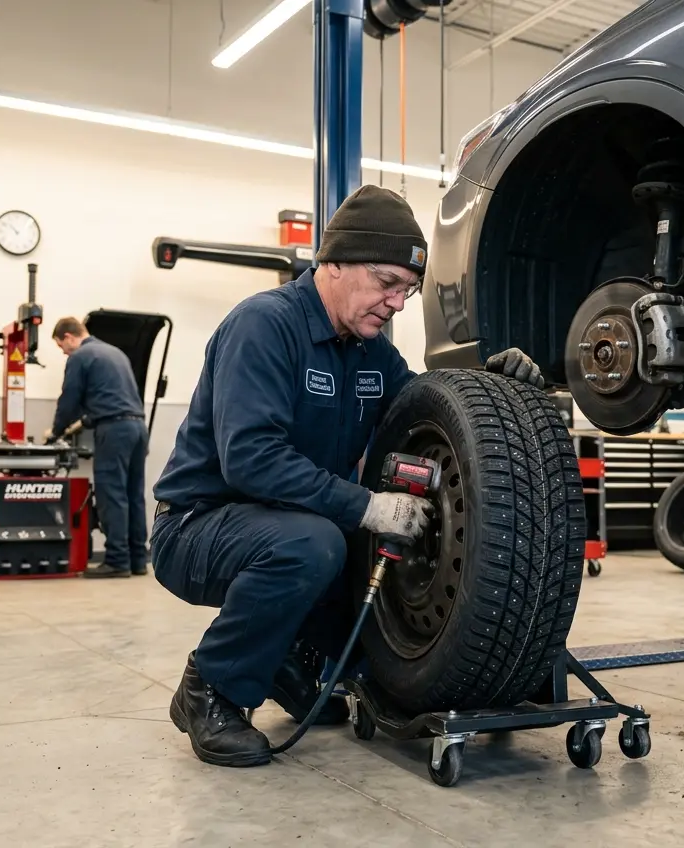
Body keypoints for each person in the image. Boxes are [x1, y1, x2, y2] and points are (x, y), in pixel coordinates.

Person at [150, 184, 545, 768]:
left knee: (352, 574)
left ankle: (291, 655)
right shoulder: (264, 326)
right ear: (334, 263)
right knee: (315, 545)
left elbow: (424, 406)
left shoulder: (370, 351)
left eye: (407, 292)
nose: (396, 303)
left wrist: (493, 388)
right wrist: (367, 505)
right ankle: (210, 689)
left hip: (292, 524)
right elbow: (252, 459)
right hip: (196, 527)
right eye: (388, 283)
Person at [47, 317, 150, 579]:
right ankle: (138, 559)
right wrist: (85, 421)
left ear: (69, 337)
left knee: (112, 494)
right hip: (138, 428)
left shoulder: (81, 356)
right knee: (133, 494)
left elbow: (69, 399)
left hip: (114, 431)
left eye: (62, 347)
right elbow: (112, 396)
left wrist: (55, 433)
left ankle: (116, 561)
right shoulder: (114, 353)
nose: (65, 352)